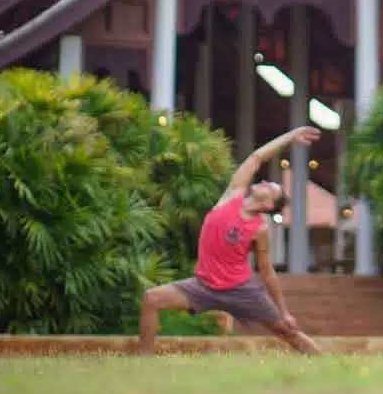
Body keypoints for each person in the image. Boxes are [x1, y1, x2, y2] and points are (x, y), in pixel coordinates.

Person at [136, 125, 325, 356]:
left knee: (288, 331)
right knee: (152, 298)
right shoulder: (232, 196)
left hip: (241, 290)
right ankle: (143, 357)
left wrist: (283, 311)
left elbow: (267, 272)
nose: (265, 182)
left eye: (271, 188)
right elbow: (257, 157)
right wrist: (290, 136)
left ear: (267, 205)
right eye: (267, 182)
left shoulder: (260, 229)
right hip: (203, 286)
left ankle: (328, 363)